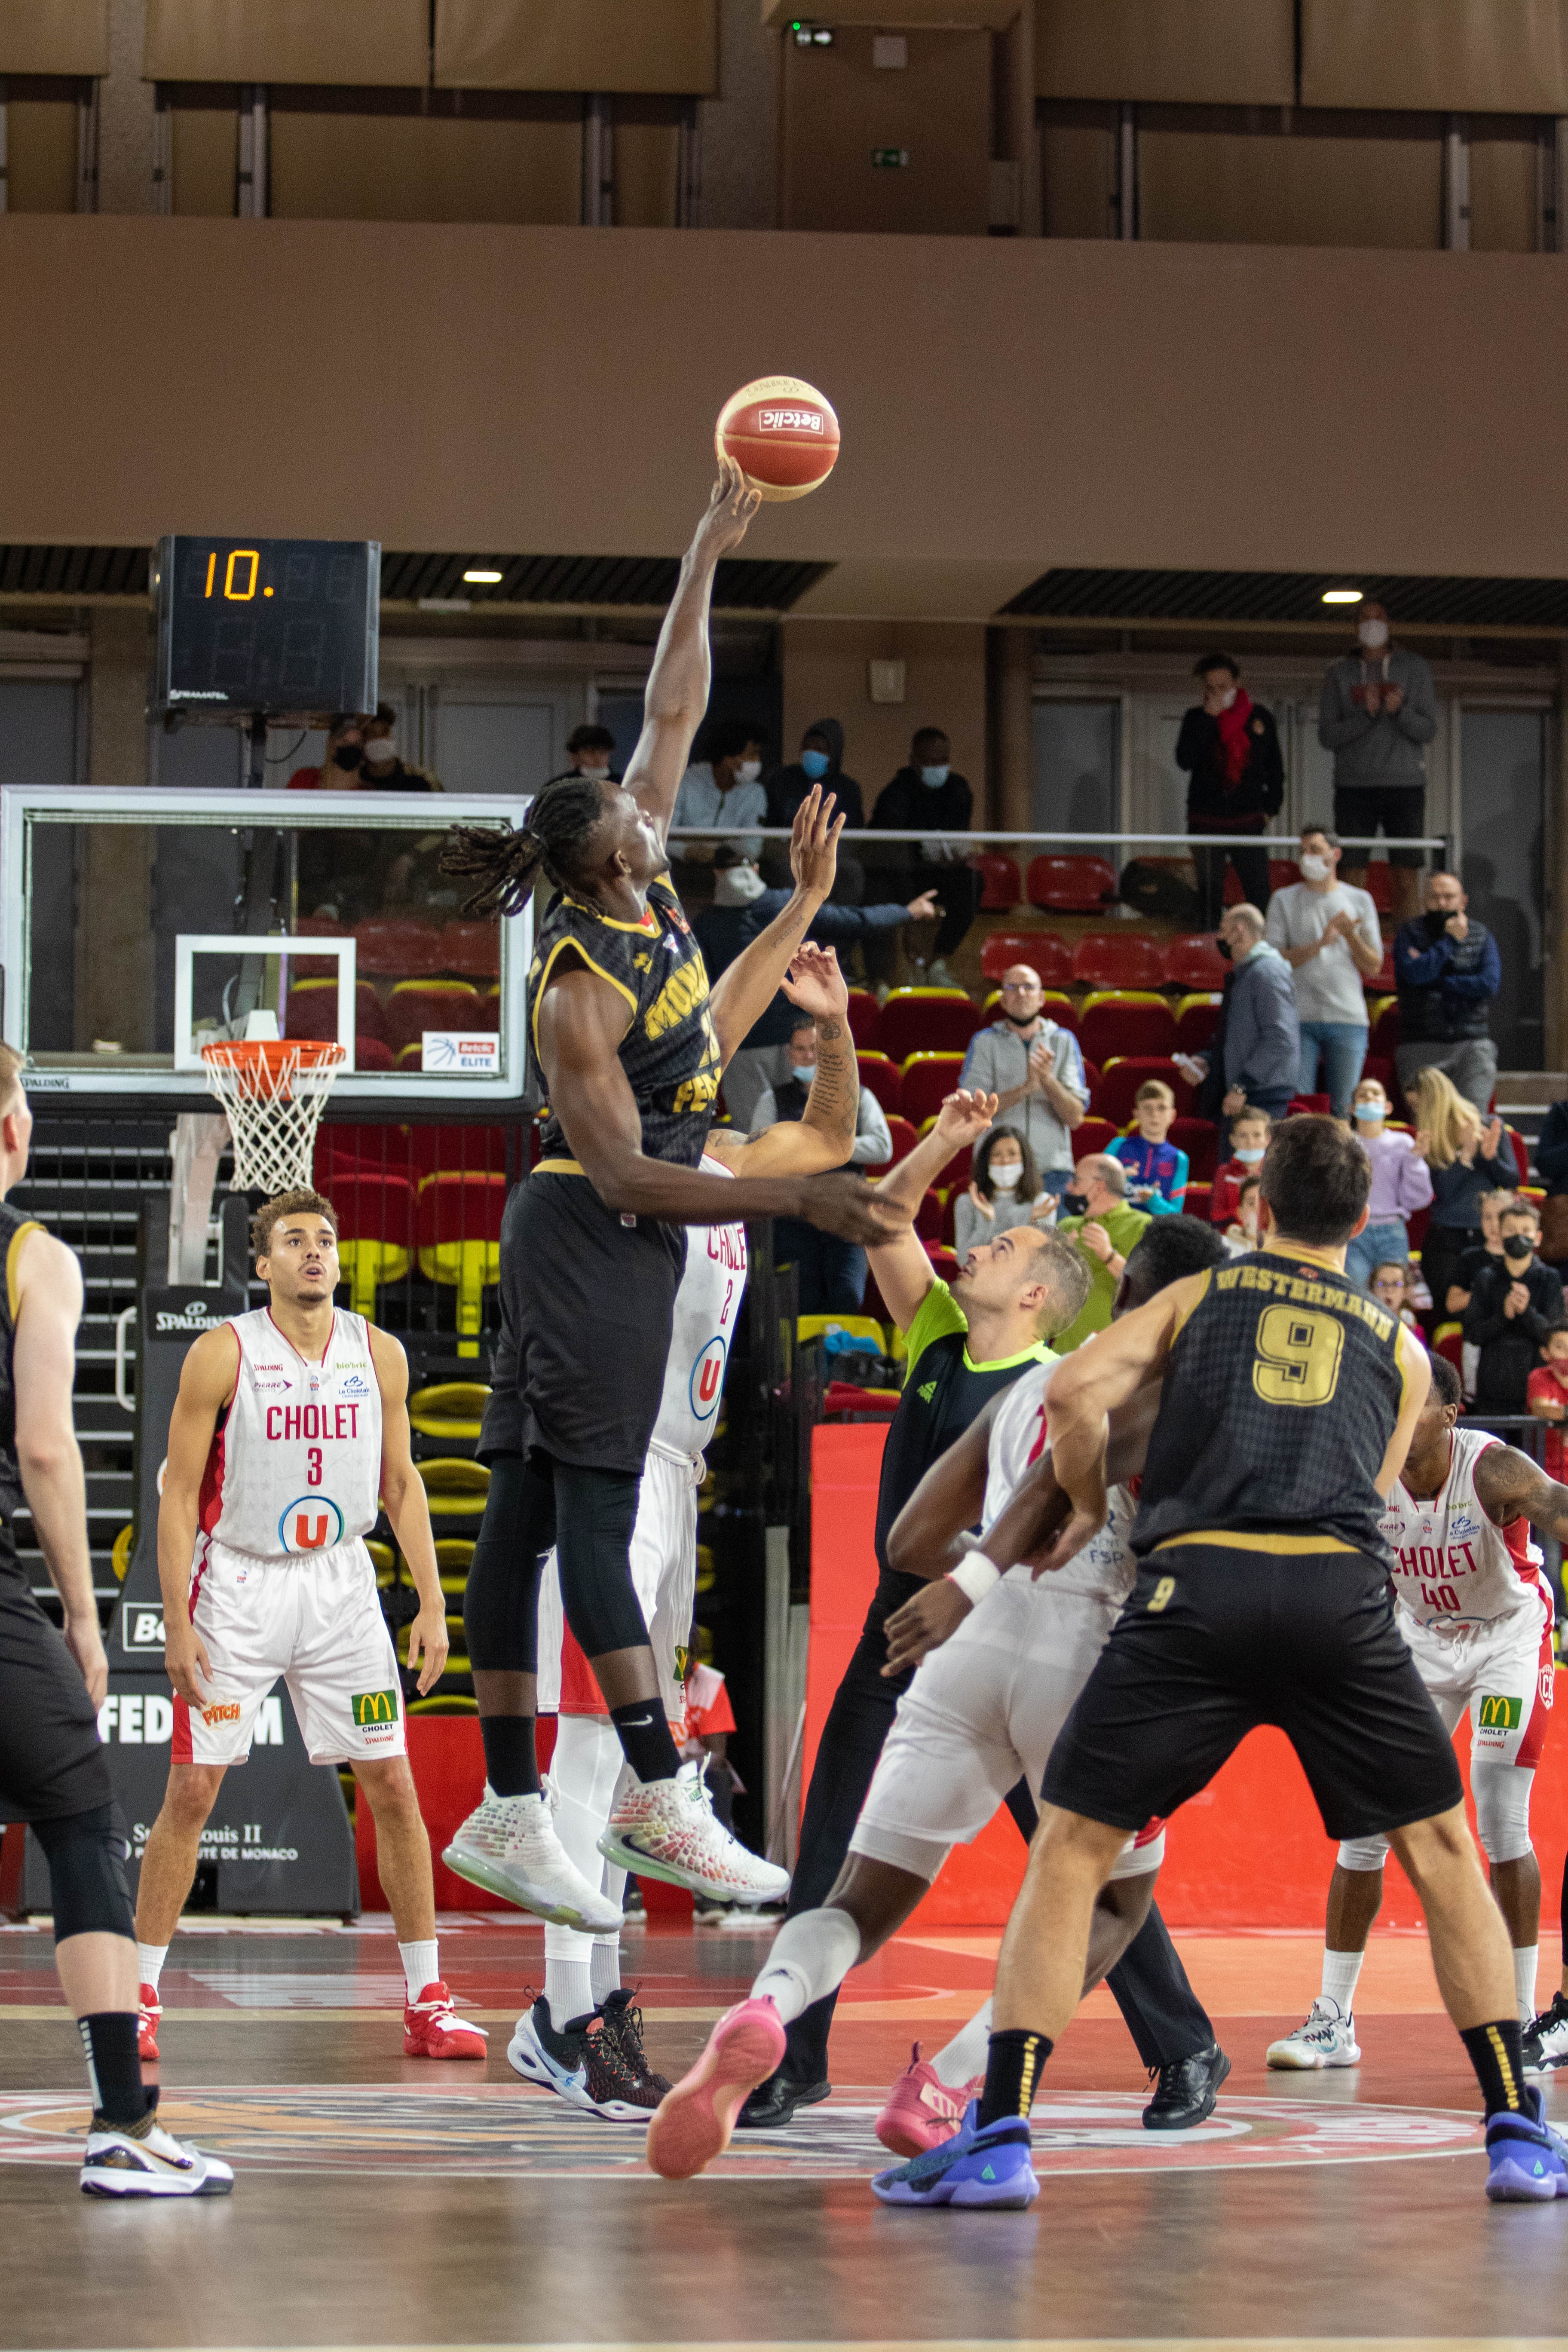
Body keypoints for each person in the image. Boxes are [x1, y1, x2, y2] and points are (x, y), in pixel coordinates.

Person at [873, 1112, 1568, 2213]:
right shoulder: (1395, 1341)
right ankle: (1521, 2130)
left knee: (1072, 1848)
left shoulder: (1201, 1295)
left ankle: (1000, 2131)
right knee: (1442, 1848)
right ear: (1362, 1219)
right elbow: (1377, 1486)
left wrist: (1093, 1502)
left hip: (1194, 1588)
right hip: (1339, 1594)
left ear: (1257, 1206)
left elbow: (1070, 1396)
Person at [435, 466, 899, 1928]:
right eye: (628, 832)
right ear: (588, 865)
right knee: (584, 1506)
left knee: (514, 1510)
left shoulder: (647, 886)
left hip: (613, 1227)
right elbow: (631, 1164)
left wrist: (702, 543)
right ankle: (647, 1786)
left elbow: (673, 707)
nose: (653, 820)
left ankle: (510, 1806)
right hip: (594, 1222)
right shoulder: (573, 980)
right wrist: (787, 1204)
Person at [645, 1219, 1234, 2182]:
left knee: (862, 1901)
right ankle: (950, 2083)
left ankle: (770, 2006)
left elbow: (909, 1537)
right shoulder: (1175, 1391)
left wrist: (981, 1579)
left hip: (965, 1652)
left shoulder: (1024, 1391)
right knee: (1111, 1906)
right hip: (1086, 1656)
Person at [507, 946, 857, 2117]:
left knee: (626, 1779)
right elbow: (707, 1016)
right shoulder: (628, 1160)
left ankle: (580, 2005)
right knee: (593, 1752)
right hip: (603, 1469)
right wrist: (793, 914)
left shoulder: (728, 1164)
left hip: (676, 1477)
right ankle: (568, 2018)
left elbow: (833, 1138)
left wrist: (841, 1024)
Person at [734, 1087, 1082, 2128]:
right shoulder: (936, 1325)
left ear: (1037, 1295)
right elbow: (884, 1219)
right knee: (834, 1829)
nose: (980, 1241)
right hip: (898, 1623)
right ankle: (794, 2057)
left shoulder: (1056, 1383)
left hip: (1004, 1635)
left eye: (1005, 1241)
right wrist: (939, 1136)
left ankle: (1181, 2038)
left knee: (1074, 1851)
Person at [134, 1188, 482, 2067]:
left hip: (340, 1588)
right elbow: (176, 1497)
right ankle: (139, 1997)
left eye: (325, 1239)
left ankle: (428, 2000)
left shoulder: (382, 1354)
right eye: (295, 1241)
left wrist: (434, 1602)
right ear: (262, 1266)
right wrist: (176, 1620)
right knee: (192, 1793)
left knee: (393, 1784)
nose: (316, 1253)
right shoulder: (223, 1355)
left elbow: (402, 1485)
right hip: (240, 1587)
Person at [0, 1043, 231, 2198]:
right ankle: (123, 2125)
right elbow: (47, 1444)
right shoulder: (31, 1258)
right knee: (83, 1819)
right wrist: (85, 1619)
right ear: (9, 1131)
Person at [1266, 1354, 1565, 2070]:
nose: (1395, 1414)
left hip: (1504, 1642)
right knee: (1364, 1829)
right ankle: (1332, 2021)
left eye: (1412, 1402)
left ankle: (1518, 2019)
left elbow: (1557, 1506)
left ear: (1448, 1416)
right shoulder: (1363, 1466)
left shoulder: (1492, 1471)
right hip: (1419, 1645)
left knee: (1497, 1813)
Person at [695, 847, 935, 1128]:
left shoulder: (706, 924)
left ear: (717, 874)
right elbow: (856, 920)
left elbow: (704, 994)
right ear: (756, 870)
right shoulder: (789, 906)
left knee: (753, 1141)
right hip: (800, 1042)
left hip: (742, 1045)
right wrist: (908, 911)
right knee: (809, 1133)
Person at [750, 1009, 893, 1312]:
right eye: (800, 1049)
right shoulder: (771, 1100)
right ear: (790, 1056)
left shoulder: (858, 1096)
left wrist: (825, 1145)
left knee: (847, 1299)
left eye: (815, 1049)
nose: (808, 1056)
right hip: (792, 1219)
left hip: (847, 1218)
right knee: (799, 1306)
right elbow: (755, 1156)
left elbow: (883, 1147)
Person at [1318, 600, 1438, 923]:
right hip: (1353, 786)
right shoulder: (1340, 674)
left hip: (1406, 785)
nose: (1372, 624)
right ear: (1356, 627)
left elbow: (1428, 729)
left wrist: (1399, 711)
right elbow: (1327, 736)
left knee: (1406, 874)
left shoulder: (1414, 669)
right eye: (1365, 619)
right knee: (1351, 874)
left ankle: (1410, 950)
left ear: (1390, 623)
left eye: (1379, 618)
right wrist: (1366, 715)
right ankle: (1348, 946)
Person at [1265, 825, 1381, 1116]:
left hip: (1347, 1018)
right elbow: (1273, 960)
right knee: (1302, 1108)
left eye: (1315, 850)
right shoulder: (1284, 899)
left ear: (1336, 855)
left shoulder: (1359, 900)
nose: (1308, 857)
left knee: (1343, 1108)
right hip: (1298, 1018)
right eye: (1303, 851)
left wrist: (1350, 936)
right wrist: (1321, 944)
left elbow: (1373, 966)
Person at [958, 964, 1088, 1197]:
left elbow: (1076, 1118)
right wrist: (1026, 1089)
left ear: (1041, 998)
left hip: (1052, 1169)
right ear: (1003, 1000)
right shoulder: (984, 1042)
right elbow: (974, 1112)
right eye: (1012, 987)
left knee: (1051, 1235)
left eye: (1028, 987)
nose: (1021, 993)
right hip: (997, 1166)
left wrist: (1048, 1080)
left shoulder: (1064, 1040)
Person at [865, 727, 980, 987]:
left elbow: (960, 834)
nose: (937, 768)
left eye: (942, 761)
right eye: (930, 762)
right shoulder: (895, 794)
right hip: (907, 872)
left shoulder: (959, 789)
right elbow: (885, 846)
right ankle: (894, 972)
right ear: (914, 761)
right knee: (884, 886)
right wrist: (920, 851)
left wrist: (956, 854)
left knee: (973, 882)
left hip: (945, 871)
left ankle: (938, 961)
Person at [1175, 652, 1283, 928]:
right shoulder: (1195, 718)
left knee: (1258, 893)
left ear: (1237, 683)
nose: (1218, 694)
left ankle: (1261, 951)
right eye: (1211, 688)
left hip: (1248, 820)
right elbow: (1184, 760)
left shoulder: (1260, 718)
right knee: (1210, 895)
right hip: (1206, 820)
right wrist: (1209, 721)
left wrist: (1271, 808)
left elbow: (1275, 768)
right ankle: (1208, 949)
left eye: (1223, 688)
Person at [1173, 904, 1298, 1139]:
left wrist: (1243, 1085)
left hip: (1261, 1094)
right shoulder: (1248, 973)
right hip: (1248, 1090)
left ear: (1239, 931)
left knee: (1254, 1169)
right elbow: (1236, 1034)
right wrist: (1207, 1060)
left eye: (1223, 930)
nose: (1220, 938)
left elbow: (1280, 1039)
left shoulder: (1267, 972)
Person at [1394, 872, 1502, 1119]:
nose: (1442, 904)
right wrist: (1449, 942)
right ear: (1424, 900)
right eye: (1435, 897)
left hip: (1471, 1043)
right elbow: (1416, 976)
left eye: (1449, 897)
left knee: (1473, 1122)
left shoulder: (1481, 935)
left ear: (1463, 901)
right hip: (1421, 1042)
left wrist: (1438, 981)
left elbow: (1488, 984)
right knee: (1428, 1125)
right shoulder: (1410, 933)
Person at [1413, 1067, 1508, 1321]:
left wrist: (1490, 1159)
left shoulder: (1489, 1126)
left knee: (1490, 1311)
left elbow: (1512, 1180)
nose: (1415, 1112)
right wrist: (1465, 1159)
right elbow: (1442, 1194)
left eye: (1417, 1105)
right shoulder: (1429, 1139)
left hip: (1487, 1238)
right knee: (1448, 1315)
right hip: (1445, 1241)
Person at [1464, 1200, 1564, 1416]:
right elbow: (1472, 1333)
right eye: (1511, 1230)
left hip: (1536, 1387)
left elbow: (1555, 1338)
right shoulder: (1486, 1277)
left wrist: (1526, 1312)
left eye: (1526, 1230)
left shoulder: (1549, 1278)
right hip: (1493, 1387)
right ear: (1500, 1235)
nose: (1519, 1236)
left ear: (1538, 1237)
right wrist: (1504, 1316)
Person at [1051, 1155, 1152, 1352]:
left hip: (1109, 1350)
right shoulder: (1066, 1226)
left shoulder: (1143, 1225)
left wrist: (1109, 1256)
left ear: (1100, 1186)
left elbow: (1147, 1288)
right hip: (1059, 1346)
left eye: (1077, 1181)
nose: (1070, 1188)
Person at [1344, 1074, 1433, 1289]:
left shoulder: (1402, 1143)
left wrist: (1415, 1160)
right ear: (1352, 1109)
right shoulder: (1346, 1144)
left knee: (1392, 1295)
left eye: (1376, 1094)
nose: (1369, 1098)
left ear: (1388, 1107)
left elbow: (1416, 1199)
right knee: (1356, 1287)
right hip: (1355, 1230)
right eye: (1362, 1095)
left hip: (1392, 1232)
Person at [763, 720, 867, 902]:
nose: (812, 753)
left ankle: (834, 924)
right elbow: (769, 826)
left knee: (852, 872)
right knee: (784, 871)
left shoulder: (848, 789)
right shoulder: (781, 780)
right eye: (807, 747)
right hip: (788, 854)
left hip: (832, 856)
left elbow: (854, 835)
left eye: (820, 749)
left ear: (833, 753)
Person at [669, 716, 770, 861]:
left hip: (729, 869)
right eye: (753, 754)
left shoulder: (755, 794)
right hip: (679, 867)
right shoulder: (684, 783)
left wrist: (722, 853)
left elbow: (753, 847)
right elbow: (661, 839)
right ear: (728, 759)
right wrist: (688, 852)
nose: (758, 761)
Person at [953, 1126, 1056, 1261]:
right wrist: (987, 1221)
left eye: (1012, 1154)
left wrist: (1031, 1222)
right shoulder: (967, 1203)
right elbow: (963, 1260)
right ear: (986, 1161)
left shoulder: (1042, 1202)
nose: (1005, 1161)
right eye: (997, 1155)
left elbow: (1043, 1261)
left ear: (1024, 1160)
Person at [288, 707, 440, 794]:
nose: (378, 741)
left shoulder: (419, 780)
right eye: (371, 735)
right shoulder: (305, 779)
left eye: (384, 733)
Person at [1107, 1080, 1189, 1213]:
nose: (1154, 1114)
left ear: (1172, 1115)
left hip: (1156, 1231)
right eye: (1147, 1107)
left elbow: (1176, 1212)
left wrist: (1154, 1201)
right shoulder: (1118, 1145)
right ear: (1136, 1114)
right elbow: (1097, 1191)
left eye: (1162, 1108)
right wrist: (1119, 1181)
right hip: (1117, 1226)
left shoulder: (1179, 1158)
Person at [1209, 1105, 1271, 1227]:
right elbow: (1216, 1216)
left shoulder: (1277, 1173)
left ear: (1268, 1140)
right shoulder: (1224, 1173)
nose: (1250, 1143)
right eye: (1243, 1136)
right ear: (1233, 1140)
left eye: (1257, 1135)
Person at [539, 723, 620, 789]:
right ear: (574, 755)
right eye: (590, 753)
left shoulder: (623, 784)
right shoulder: (559, 787)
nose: (598, 759)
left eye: (603, 753)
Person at [1368, 1260, 1421, 1330]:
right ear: (1372, 1291)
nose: (1389, 1290)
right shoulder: (1363, 1325)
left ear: (1405, 1291)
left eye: (1396, 1284)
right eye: (1382, 1284)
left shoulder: (1415, 1328)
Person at [1222, 1173, 1262, 1256]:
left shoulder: (1284, 1251)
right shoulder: (1224, 1248)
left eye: (1263, 1204)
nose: (1258, 1210)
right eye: (1251, 1204)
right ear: (1240, 1213)